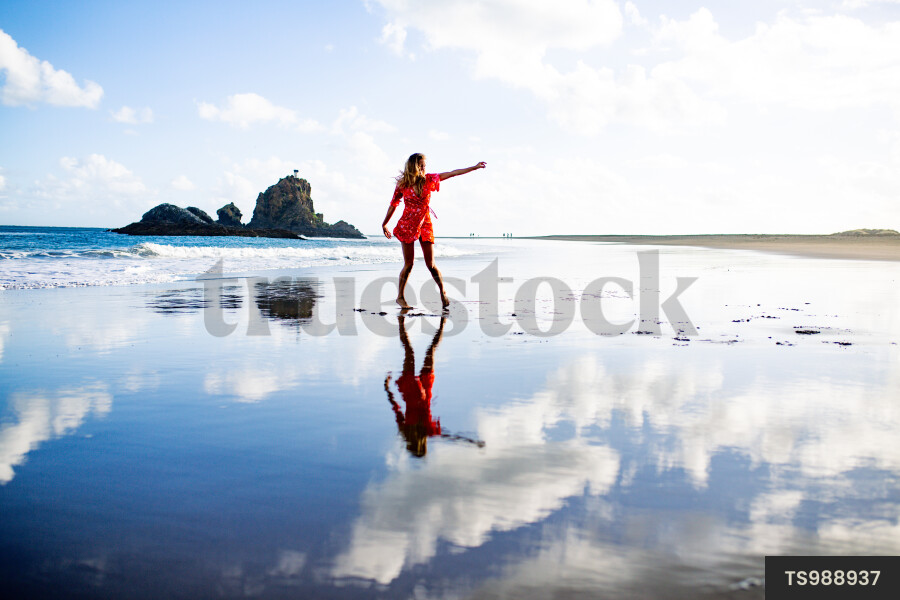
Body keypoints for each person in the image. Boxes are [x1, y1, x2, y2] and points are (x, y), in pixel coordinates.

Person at [382, 153, 486, 308]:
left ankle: (443, 292)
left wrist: (474, 167)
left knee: (430, 264)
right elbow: (393, 204)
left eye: (425, 165)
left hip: (424, 224)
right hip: (408, 224)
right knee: (409, 264)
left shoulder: (429, 179)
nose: (425, 168)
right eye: (422, 166)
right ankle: (400, 297)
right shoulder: (403, 184)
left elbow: (452, 173)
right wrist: (384, 224)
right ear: (415, 167)